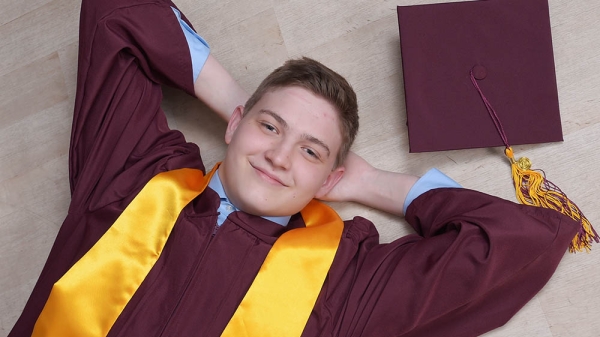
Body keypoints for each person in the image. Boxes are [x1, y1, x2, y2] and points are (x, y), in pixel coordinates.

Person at [10, 0, 579, 336]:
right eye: (270, 126)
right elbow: (115, 12)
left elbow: (520, 240)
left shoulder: (343, 285)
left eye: (311, 151)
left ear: (329, 181)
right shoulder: (132, 177)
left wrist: (373, 183)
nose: (281, 156)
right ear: (235, 125)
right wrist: (239, 101)